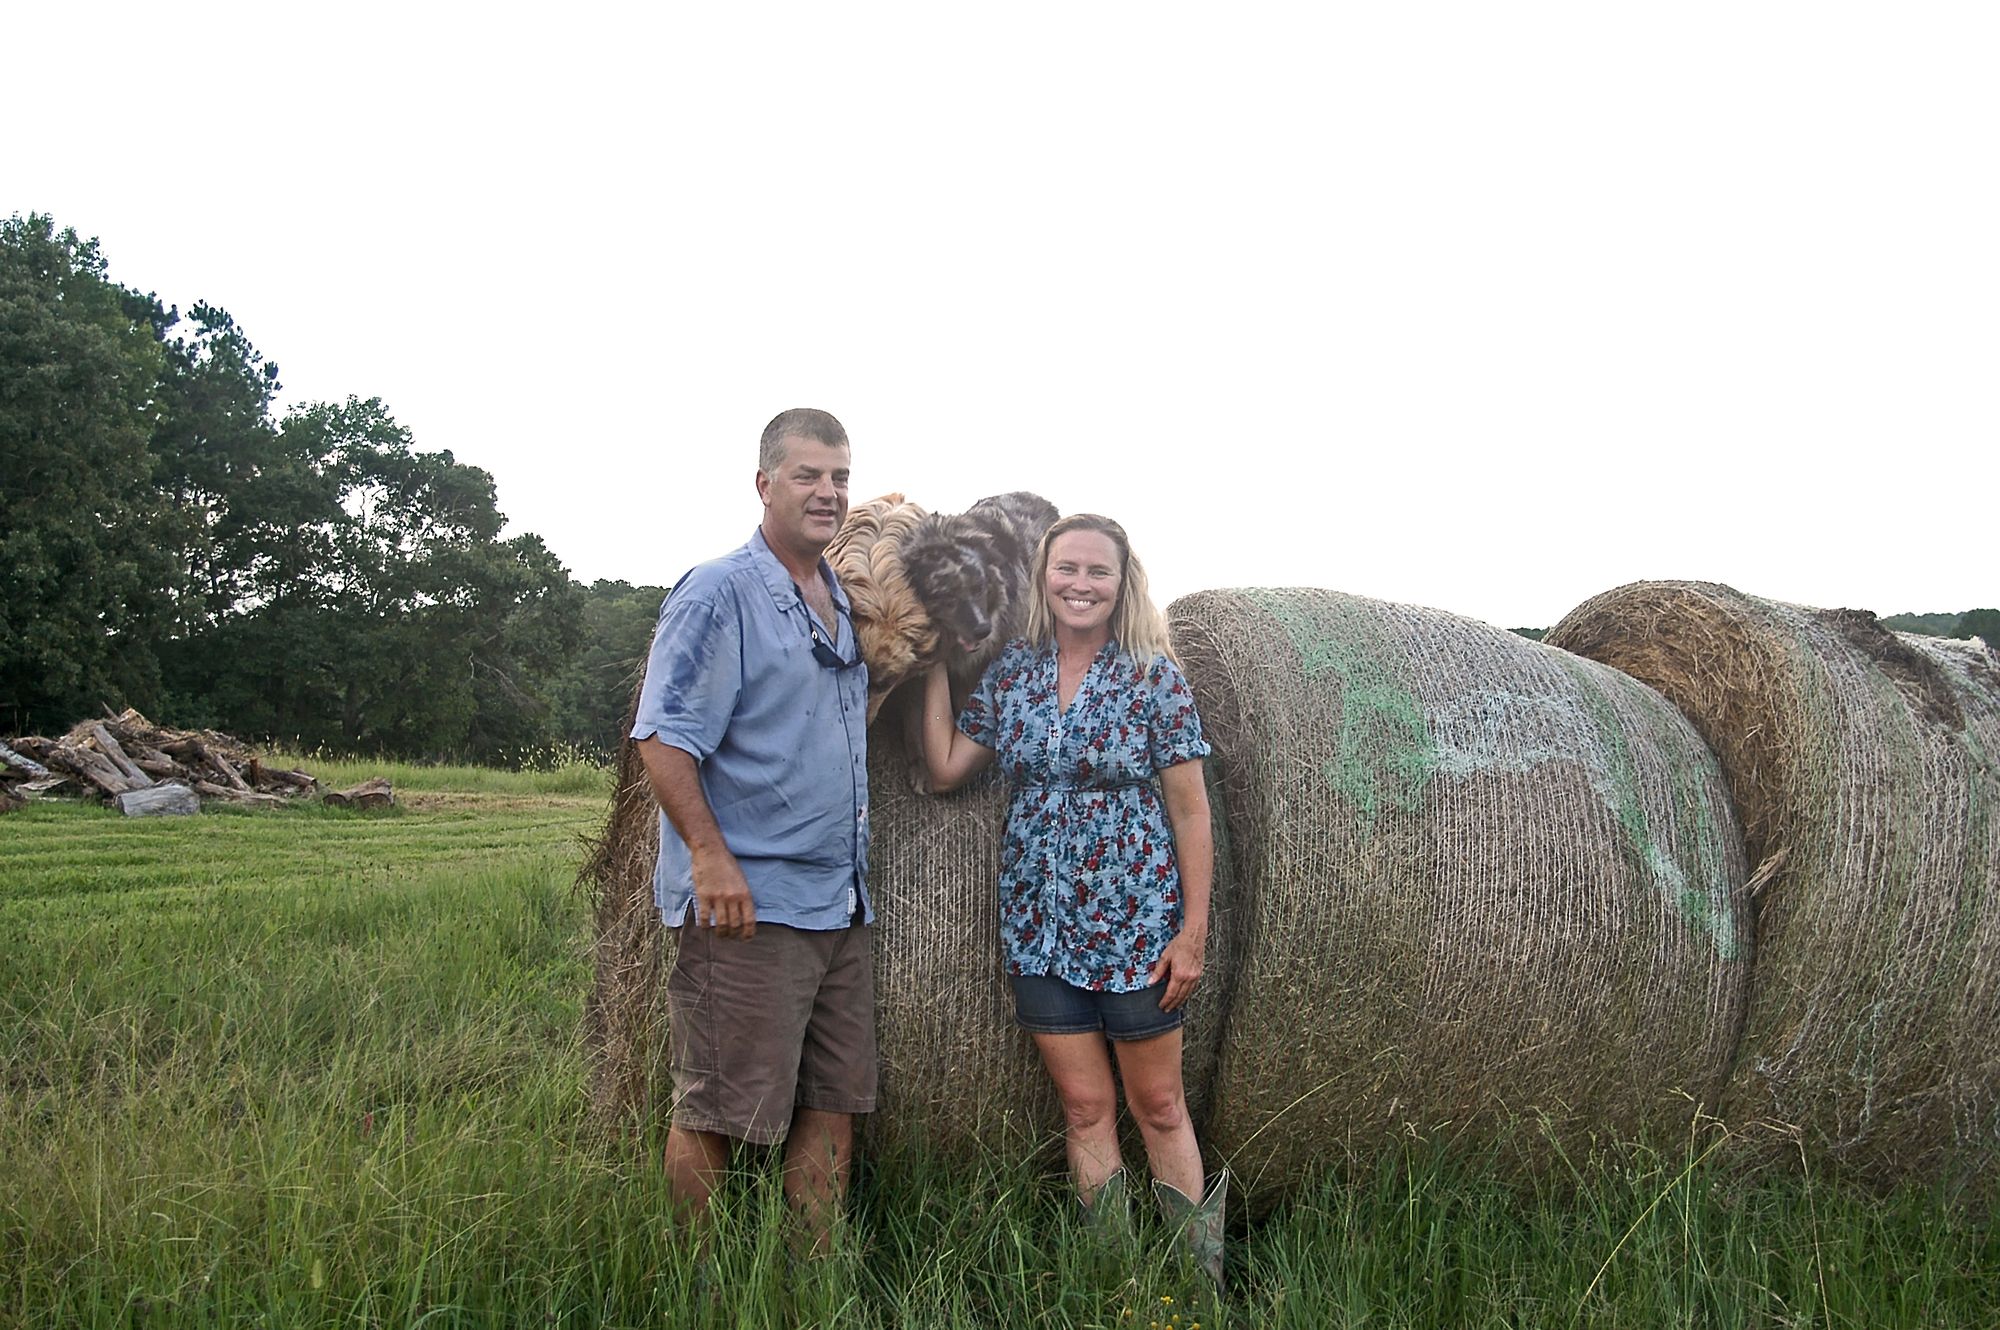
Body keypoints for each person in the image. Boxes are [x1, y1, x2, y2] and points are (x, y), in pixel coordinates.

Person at [918, 513, 1227, 1283]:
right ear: (1043, 577)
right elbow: (948, 765)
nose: (1081, 584)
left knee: (1159, 1109)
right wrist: (925, 664)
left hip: (1137, 932)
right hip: (1039, 930)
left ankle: (1199, 1279)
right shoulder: (1016, 674)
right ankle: (1115, 1280)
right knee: (1086, 1112)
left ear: (1123, 584)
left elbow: (1191, 810)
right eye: (1067, 569)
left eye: (1098, 571)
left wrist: (1192, 932)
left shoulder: (1153, 674)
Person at [631, 408, 873, 1255]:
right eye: (808, 475)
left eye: (840, 477)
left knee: (832, 1104)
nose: (828, 493)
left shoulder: (838, 598)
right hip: (749, 903)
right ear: (764, 483)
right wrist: (709, 856)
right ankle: (703, 1282)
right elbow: (661, 737)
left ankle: (811, 1276)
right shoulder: (720, 592)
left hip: (837, 906)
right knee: (721, 1109)